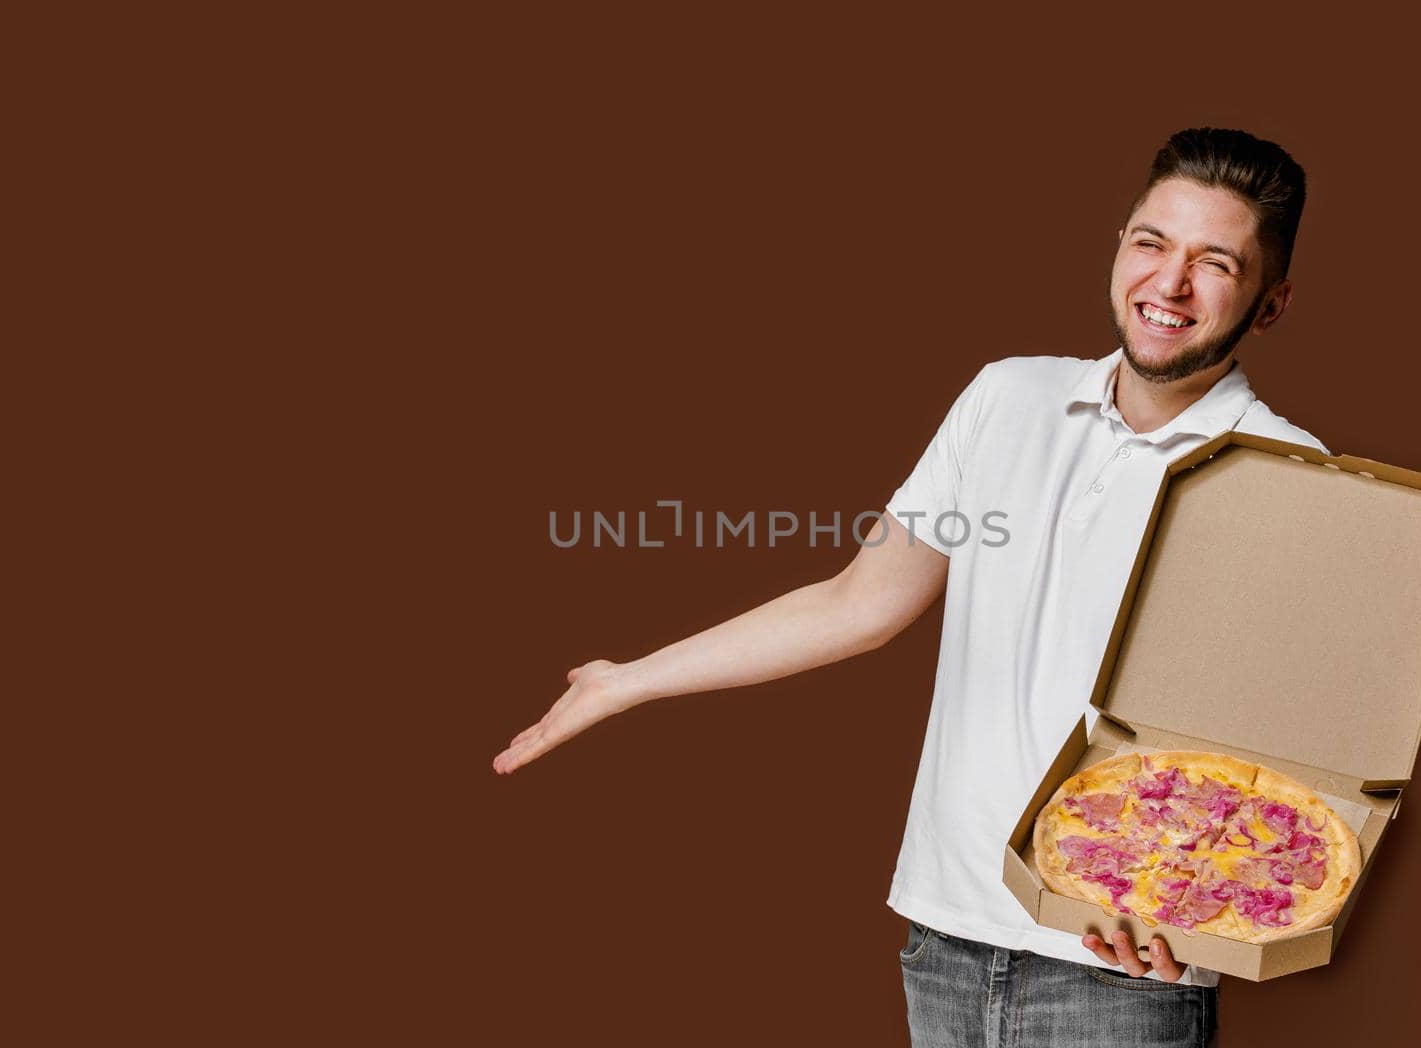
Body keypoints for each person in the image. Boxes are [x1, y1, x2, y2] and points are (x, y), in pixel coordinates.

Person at [494, 127, 1327, 1047]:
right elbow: (859, 602)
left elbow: (1282, 759)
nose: (1168, 285)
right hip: (945, 938)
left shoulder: (1291, 475)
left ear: (1271, 300)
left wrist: (1204, 918)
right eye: (1150, 242)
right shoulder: (1006, 399)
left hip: (1119, 972)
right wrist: (629, 679)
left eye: (1214, 262)